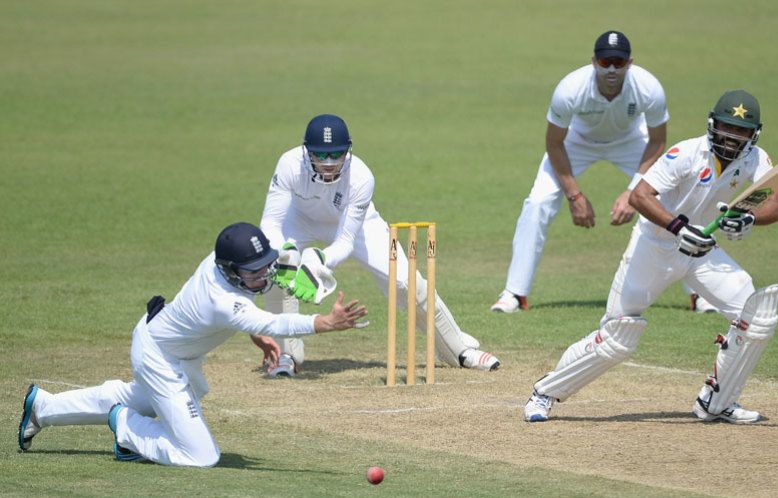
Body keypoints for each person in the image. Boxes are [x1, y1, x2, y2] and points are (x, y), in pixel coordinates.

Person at [523, 90, 778, 424]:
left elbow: (776, 205)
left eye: (741, 132)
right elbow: (640, 196)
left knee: (758, 316)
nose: (732, 138)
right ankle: (544, 393)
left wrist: (748, 217)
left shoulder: (755, 159)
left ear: (754, 134)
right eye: (726, 128)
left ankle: (717, 403)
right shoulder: (686, 154)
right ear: (712, 125)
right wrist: (678, 227)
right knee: (618, 337)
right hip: (655, 247)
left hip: (702, 253)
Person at [18, 222, 368, 466]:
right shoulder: (221, 299)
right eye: (253, 272)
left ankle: (43, 408)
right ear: (231, 270)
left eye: (265, 266)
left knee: (147, 397)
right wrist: (325, 323)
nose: (263, 276)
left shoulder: (218, 265)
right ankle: (127, 430)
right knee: (202, 456)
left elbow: (249, 313)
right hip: (159, 356)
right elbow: (268, 320)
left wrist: (254, 328)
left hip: (169, 347)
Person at [252, 114, 500, 378]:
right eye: (320, 155)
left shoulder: (361, 176)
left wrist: (319, 259)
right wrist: (286, 255)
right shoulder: (289, 164)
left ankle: (457, 350)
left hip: (358, 224)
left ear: (348, 150)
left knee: (408, 283)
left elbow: (345, 242)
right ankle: (286, 355)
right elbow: (270, 223)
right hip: (299, 220)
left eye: (336, 154)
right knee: (278, 271)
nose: (328, 163)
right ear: (306, 151)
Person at [491, 30, 677, 313]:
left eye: (618, 62)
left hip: (631, 142)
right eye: (605, 63)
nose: (612, 69)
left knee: (674, 200)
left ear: (630, 63)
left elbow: (658, 142)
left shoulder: (649, 88)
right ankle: (514, 294)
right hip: (576, 143)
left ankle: (700, 296)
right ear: (594, 62)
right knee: (537, 202)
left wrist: (633, 192)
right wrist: (574, 196)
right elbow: (554, 143)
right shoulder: (570, 89)